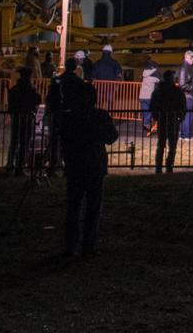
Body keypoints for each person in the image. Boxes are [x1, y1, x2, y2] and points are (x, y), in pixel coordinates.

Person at [59, 74, 117, 257]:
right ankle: (88, 246)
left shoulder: (69, 117)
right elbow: (111, 137)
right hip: (94, 165)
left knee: (73, 207)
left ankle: (70, 246)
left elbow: (63, 140)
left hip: (75, 165)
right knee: (93, 207)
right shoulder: (100, 116)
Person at [6, 66, 41, 176]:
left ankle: (10, 164)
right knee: (24, 142)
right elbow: (37, 100)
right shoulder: (30, 89)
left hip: (16, 117)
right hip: (27, 118)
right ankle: (20, 167)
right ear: (29, 77)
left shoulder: (14, 89)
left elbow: (11, 105)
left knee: (14, 141)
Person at [150, 69, 186, 172]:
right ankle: (169, 165)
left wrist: (156, 117)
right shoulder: (177, 91)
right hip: (173, 120)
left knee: (161, 144)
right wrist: (180, 117)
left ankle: (158, 166)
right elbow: (182, 105)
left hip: (162, 119)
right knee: (172, 145)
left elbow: (153, 104)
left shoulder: (158, 90)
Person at [178, 49, 193, 140]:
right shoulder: (185, 68)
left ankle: (184, 134)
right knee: (188, 115)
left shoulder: (188, 68)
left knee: (186, 115)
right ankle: (186, 135)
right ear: (186, 57)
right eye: (191, 57)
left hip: (188, 95)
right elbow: (182, 84)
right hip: (188, 95)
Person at [138, 60, 160, 132]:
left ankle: (146, 125)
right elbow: (160, 81)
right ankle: (146, 123)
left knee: (145, 111)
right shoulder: (156, 73)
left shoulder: (144, 74)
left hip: (142, 96)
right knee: (152, 110)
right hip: (150, 96)